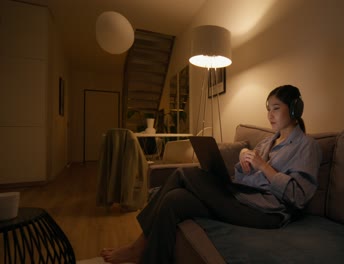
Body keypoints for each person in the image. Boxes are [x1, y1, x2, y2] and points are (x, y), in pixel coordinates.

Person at [100, 84, 322, 263]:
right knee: (173, 200)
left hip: (267, 213)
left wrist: (264, 166)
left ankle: (137, 247)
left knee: (184, 173)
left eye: (276, 108)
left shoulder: (307, 146)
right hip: (244, 198)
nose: (269, 115)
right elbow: (245, 179)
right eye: (268, 108)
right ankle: (148, 256)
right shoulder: (267, 141)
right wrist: (243, 162)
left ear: (294, 109)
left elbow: (299, 197)